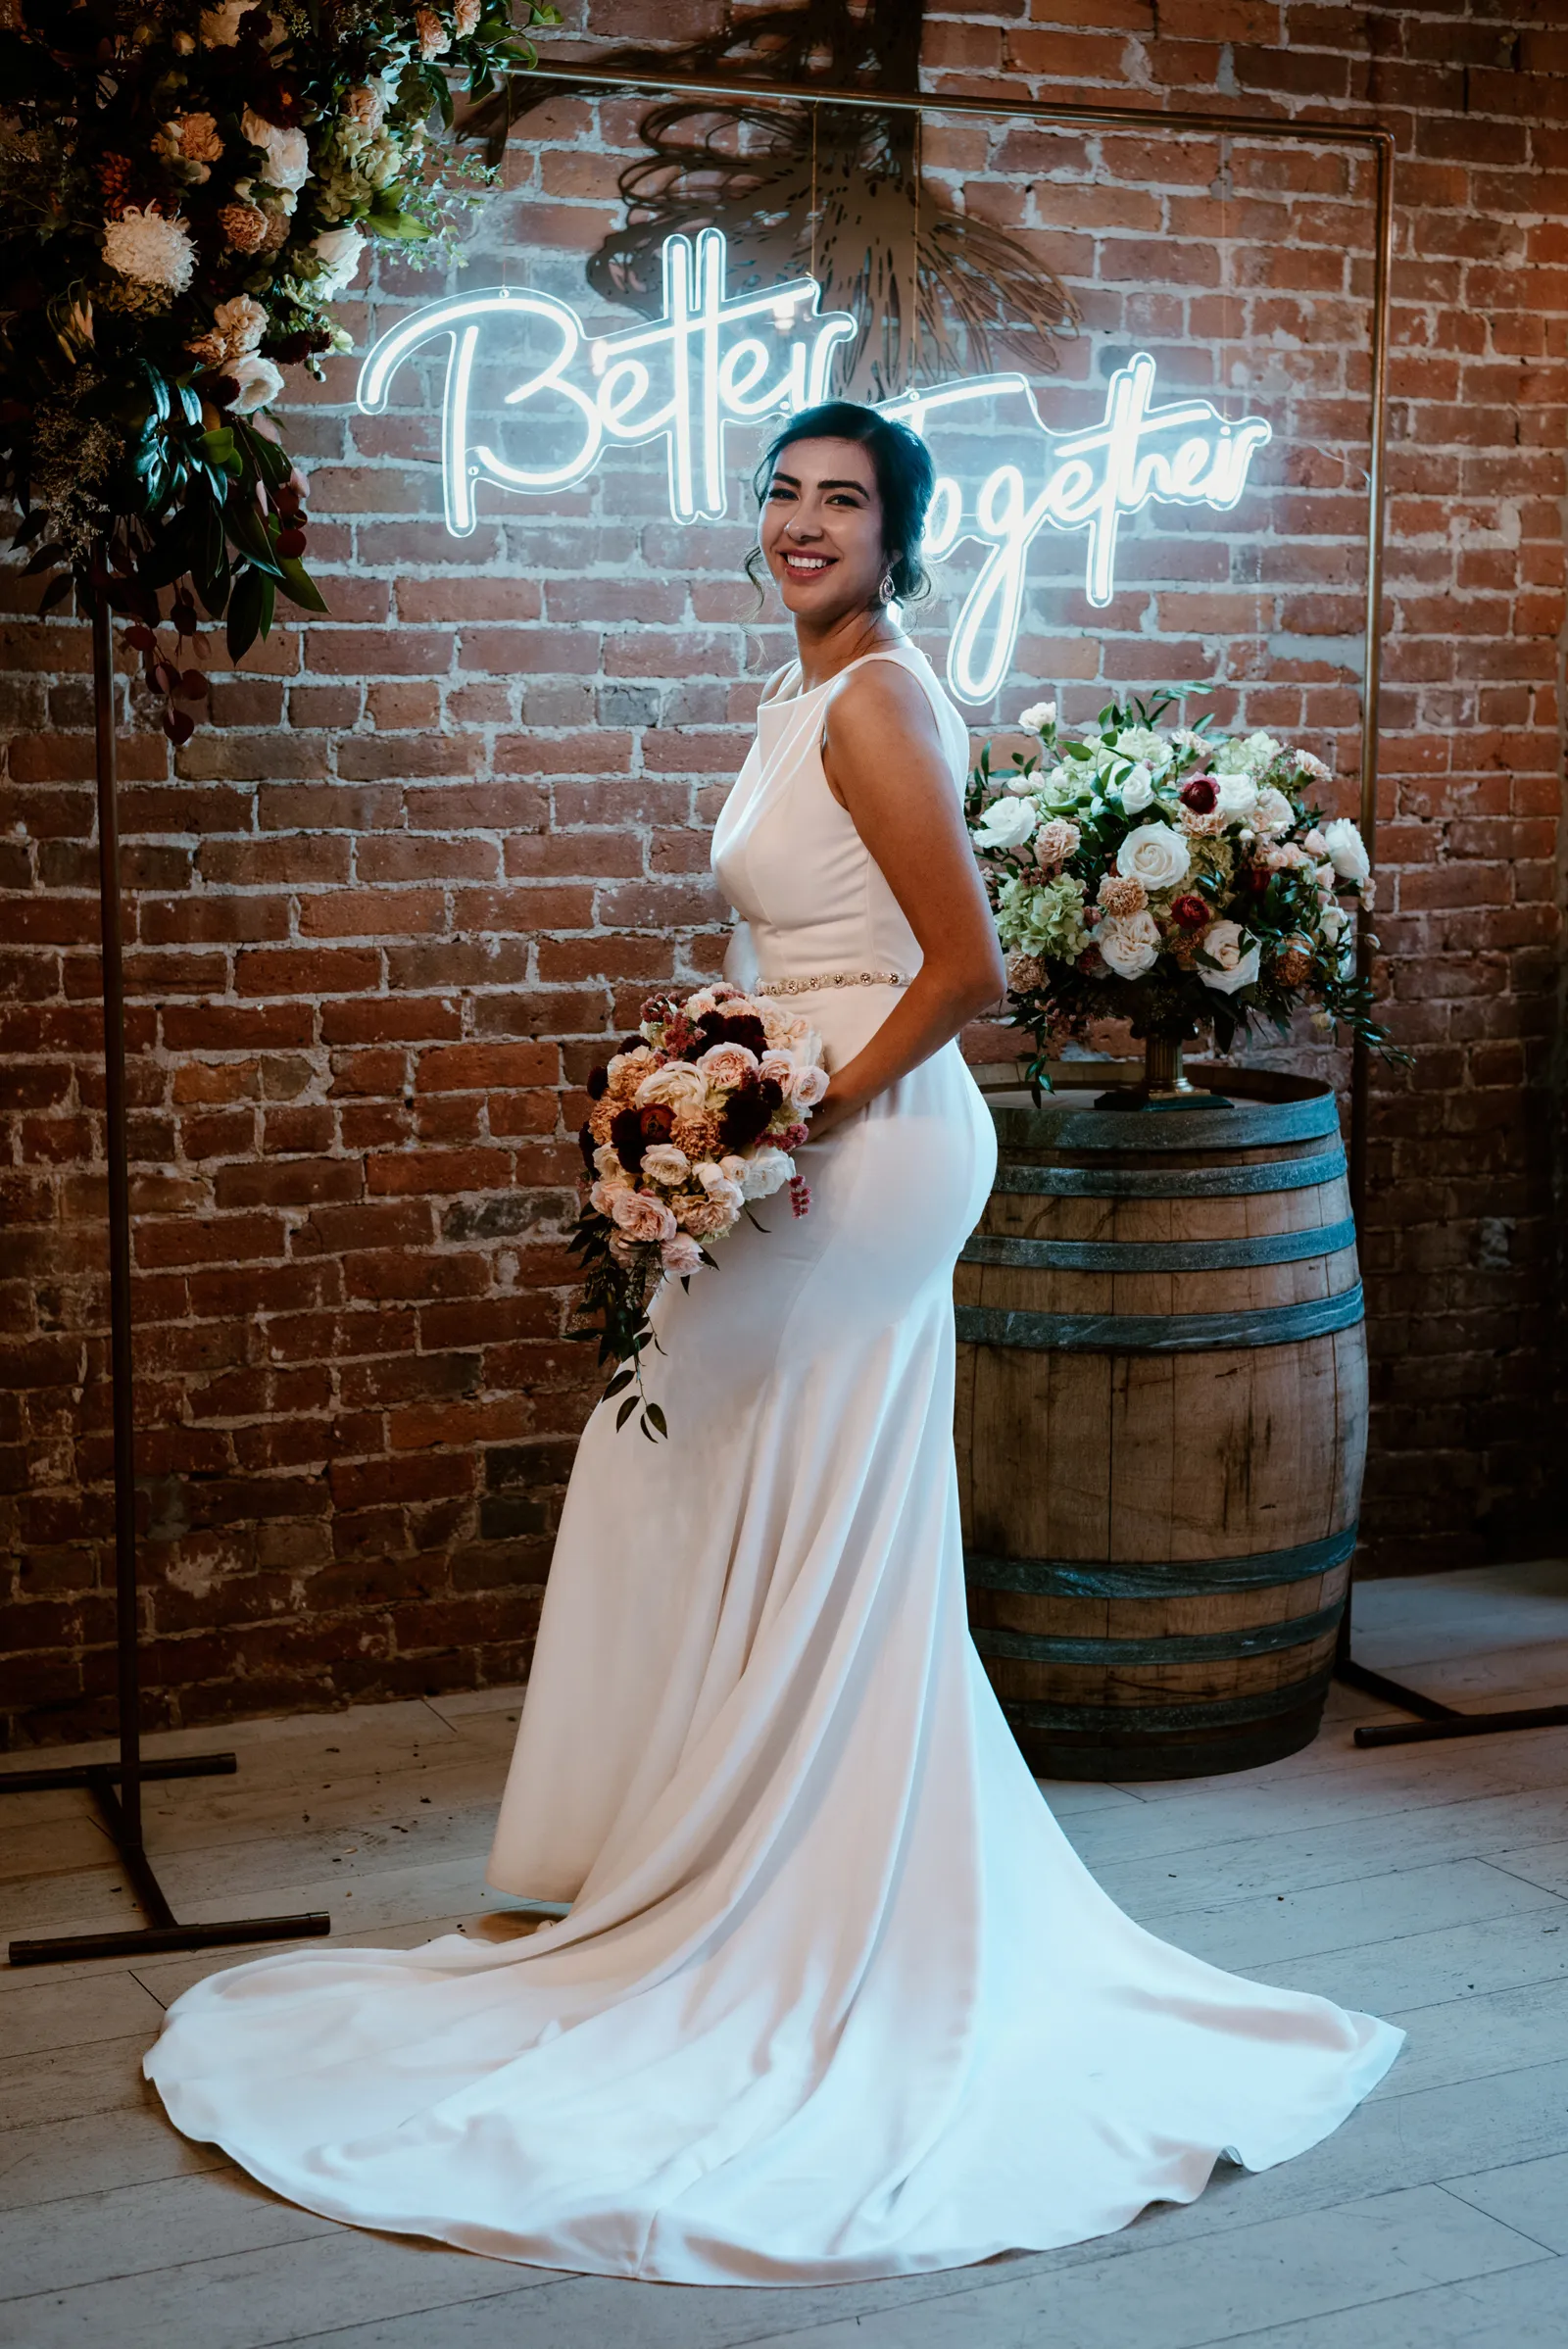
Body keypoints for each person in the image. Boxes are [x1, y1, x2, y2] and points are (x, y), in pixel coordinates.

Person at [142, 400, 1403, 2287]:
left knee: (735, 1471)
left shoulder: (880, 698)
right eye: (786, 494)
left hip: (874, 1152)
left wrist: (795, 1111)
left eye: (847, 503)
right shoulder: (796, 691)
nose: (806, 523)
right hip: (802, 1125)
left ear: (900, 537)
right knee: (724, 1471)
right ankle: (704, 1862)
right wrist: (721, 1074)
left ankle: (767, 1893)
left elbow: (964, 972)